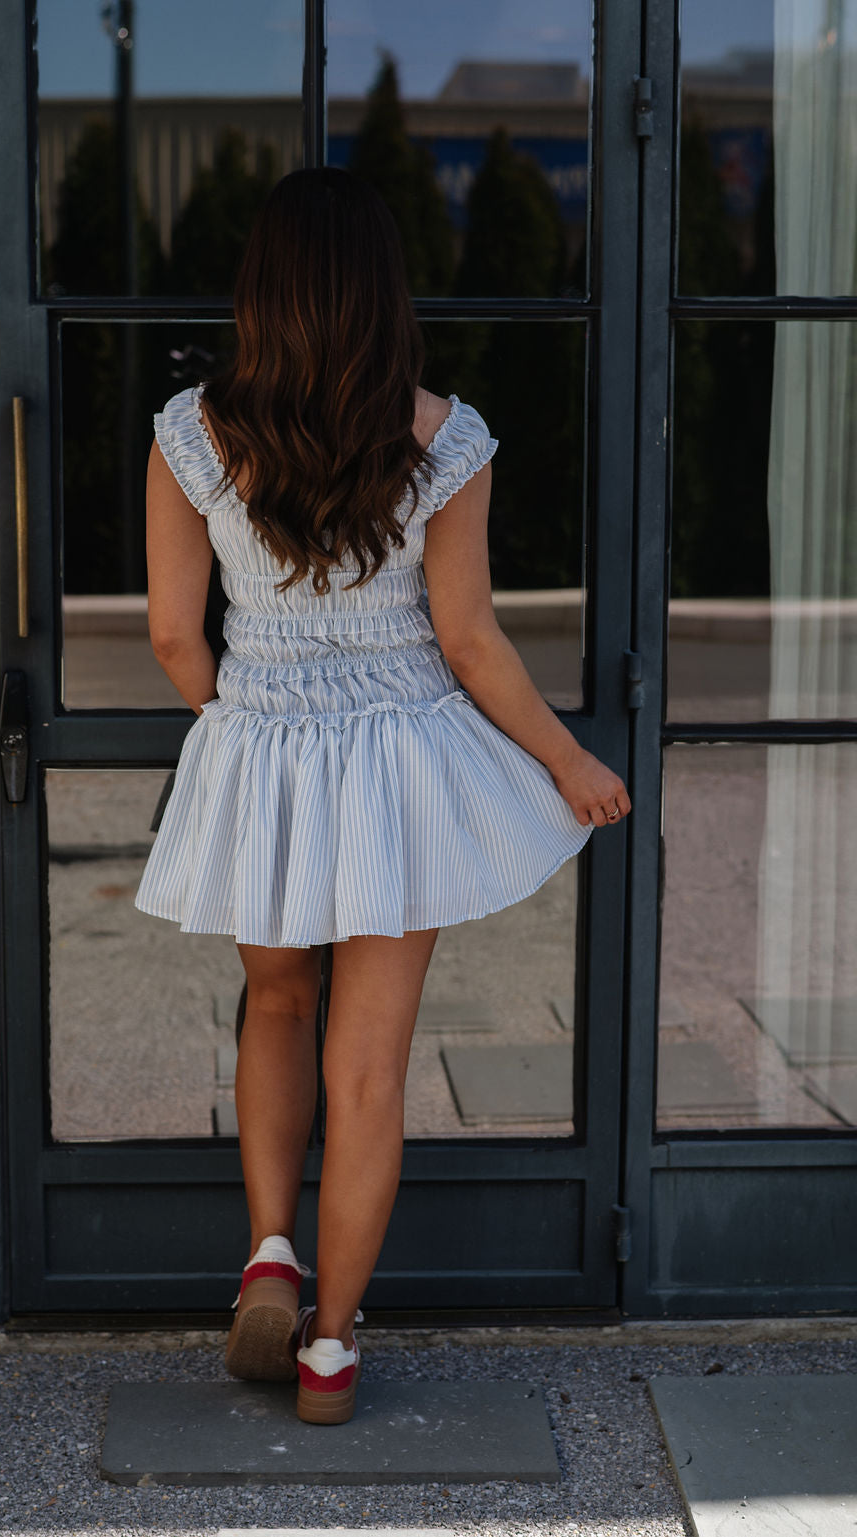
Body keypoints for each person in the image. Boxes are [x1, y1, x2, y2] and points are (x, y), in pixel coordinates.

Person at [134, 166, 630, 1425]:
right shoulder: (444, 436)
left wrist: (239, 734)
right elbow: (468, 641)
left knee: (276, 1000)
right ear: (380, 294)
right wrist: (566, 759)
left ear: (266, 291)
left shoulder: (192, 434)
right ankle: (333, 1352)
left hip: (264, 739)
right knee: (370, 1069)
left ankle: (266, 1249)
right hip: (403, 759)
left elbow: (173, 637)